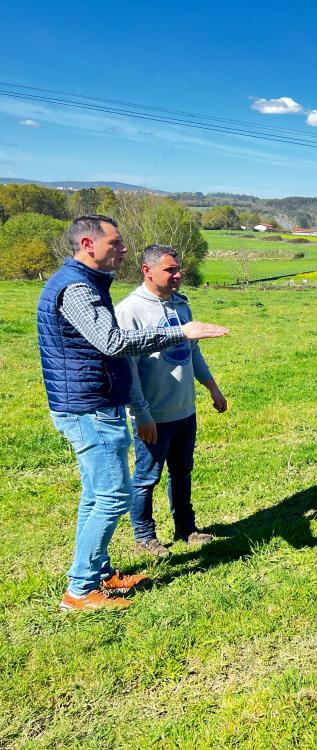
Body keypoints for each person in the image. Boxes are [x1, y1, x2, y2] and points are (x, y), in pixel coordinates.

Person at [37, 215, 228, 612]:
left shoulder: (86, 284)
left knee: (96, 495)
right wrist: (180, 332)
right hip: (88, 408)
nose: (123, 249)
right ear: (89, 244)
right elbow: (112, 341)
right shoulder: (76, 287)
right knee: (112, 496)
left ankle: (100, 574)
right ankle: (80, 590)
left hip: (94, 404)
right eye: (116, 243)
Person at [115, 245, 228, 558]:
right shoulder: (130, 310)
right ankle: (144, 535)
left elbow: (193, 352)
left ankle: (186, 528)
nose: (178, 275)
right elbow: (129, 368)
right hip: (153, 414)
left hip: (184, 409)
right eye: (170, 270)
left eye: (178, 269)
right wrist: (141, 413)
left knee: (182, 471)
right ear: (147, 270)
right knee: (146, 478)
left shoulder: (181, 305)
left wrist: (212, 388)